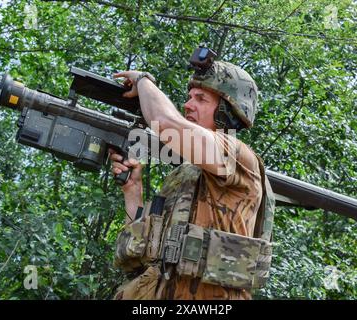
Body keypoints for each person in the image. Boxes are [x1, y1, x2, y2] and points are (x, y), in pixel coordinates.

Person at [109, 57, 274, 300]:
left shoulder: (237, 157)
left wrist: (143, 81)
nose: (187, 105)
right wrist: (133, 191)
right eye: (189, 97)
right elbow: (143, 254)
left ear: (226, 111)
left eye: (201, 99)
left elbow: (165, 124)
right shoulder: (185, 173)